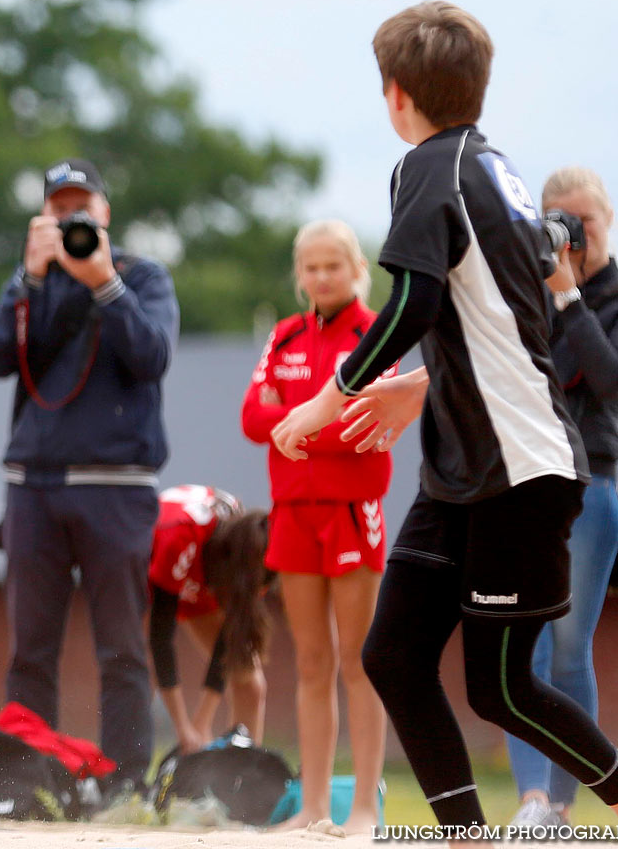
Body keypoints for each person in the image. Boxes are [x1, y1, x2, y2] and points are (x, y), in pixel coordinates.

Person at [273, 0, 618, 833]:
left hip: (517, 471)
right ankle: (460, 830)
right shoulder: (491, 169)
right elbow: (500, 330)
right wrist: (413, 388)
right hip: (463, 469)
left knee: (502, 686)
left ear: (394, 95)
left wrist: (328, 394)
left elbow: (415, 298)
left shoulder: (430, 166)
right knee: (392, 655)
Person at [0, 157, 178, 791]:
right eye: (60, 208)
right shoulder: (32, 282)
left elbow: (151, 357)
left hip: (116, 484)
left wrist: (103, 284)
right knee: (30, 647)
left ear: (105, 214)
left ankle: (124, 785)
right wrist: (32, 280)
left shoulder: (143, 278)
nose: (72, 218)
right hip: (32, 484)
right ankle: (27, 776)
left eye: (82, 207)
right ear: (44, 216)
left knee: (120, 644)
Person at [240, 219, 391, 832]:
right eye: (312, 267)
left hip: (354, 514)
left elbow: (367, 426)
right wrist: (313, 421)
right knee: (309, 662)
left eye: (334, 265)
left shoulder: (376, 333)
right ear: (299, 276)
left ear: (357, 269)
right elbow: (253, 417)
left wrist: (296, 422)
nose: (323, 276)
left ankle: (362, 809)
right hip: (294, 514)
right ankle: (312, 808)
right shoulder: (283, 336)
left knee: (359, 659)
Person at [505, 167, 618, 827]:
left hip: (590, 492)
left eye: (578, 222)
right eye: (555, 222)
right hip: (525, 487)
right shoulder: (528, 296)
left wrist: (569, 297)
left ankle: (559, 803)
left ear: (606, 219)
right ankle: (531, 801)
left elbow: (612, 377)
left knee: (566, 649)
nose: (568, 235)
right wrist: (545, 289)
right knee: (518, 649)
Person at [146, 484, 269, 751]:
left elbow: (231, 637)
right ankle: (127, 773)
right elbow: (160, 636)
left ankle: (242, 778)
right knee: (138, 673)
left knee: (250, 682)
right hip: (150, 580)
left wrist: (201, 723)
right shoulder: (181, 534)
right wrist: (184, 728)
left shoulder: (254, 550)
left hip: (198, 576)